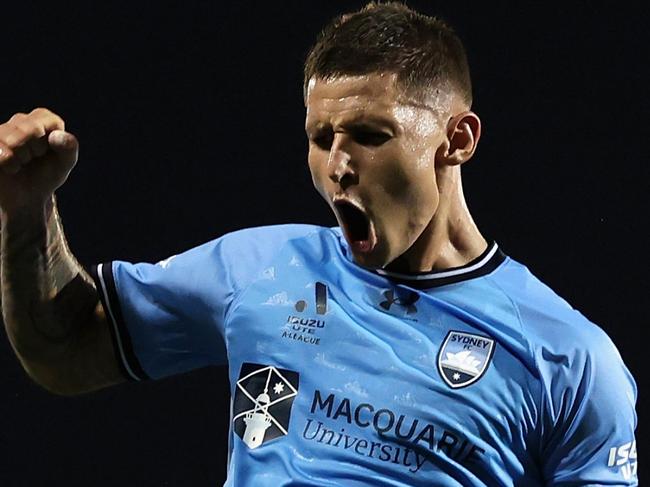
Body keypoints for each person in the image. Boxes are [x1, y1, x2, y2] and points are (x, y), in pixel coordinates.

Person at [0, 2, 637, 486]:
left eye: (369, 133)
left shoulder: (570, 362)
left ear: (459, 140)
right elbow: (65, 348)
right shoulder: (262, 269)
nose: (337, 164)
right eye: (319, 135)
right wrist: (25, 210)